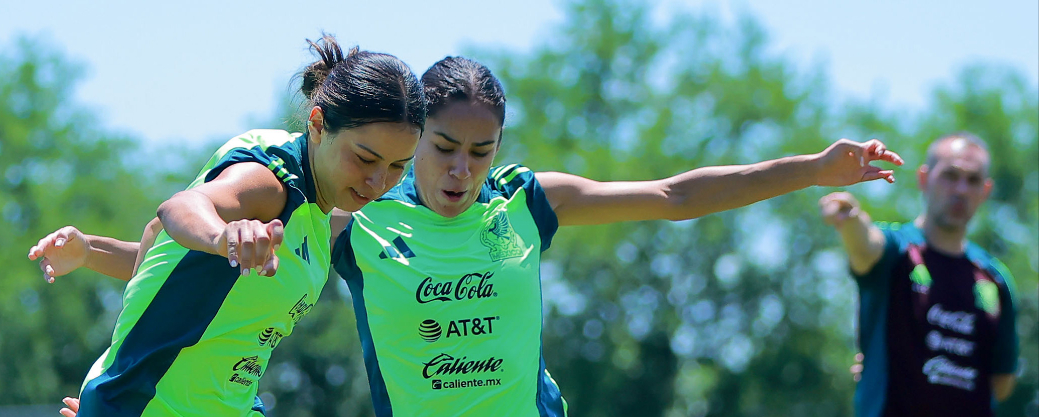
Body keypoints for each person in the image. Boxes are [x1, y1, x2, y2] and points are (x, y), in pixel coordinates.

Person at [33, 56, 902, 416]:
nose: (459, 168)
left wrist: (810, 168)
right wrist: (115, 337)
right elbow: (207, 241)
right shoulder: (357, 217)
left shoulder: (524, 206)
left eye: (478, 151)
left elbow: (675, 194)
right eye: (443, 149)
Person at [27, 34, 426, 417]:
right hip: (143, 405)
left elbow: (160, 245)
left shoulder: (321, 211)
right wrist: (223, 237)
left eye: (397, 167)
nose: (379, 182)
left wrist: (90, 252)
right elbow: (181, 208)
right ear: (319, 125)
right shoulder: (269, 184)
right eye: (366, 158)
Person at [819, 132, 1018, 417]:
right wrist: (848, 217)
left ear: (985, 191)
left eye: (972, 180)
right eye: (950, 175)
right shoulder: (896, 249)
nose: (961, 189)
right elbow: (866, 246)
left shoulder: (995, 278)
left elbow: (1002, 382)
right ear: (924, 179)